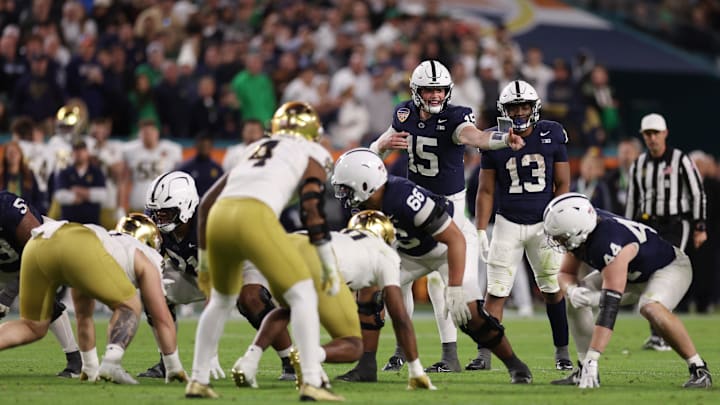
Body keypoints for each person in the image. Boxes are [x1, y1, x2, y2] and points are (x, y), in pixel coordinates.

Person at [368, 59, 524, 373]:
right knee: (392, 284)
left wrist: (503, 140)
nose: (436, 96)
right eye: (429, 89)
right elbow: (376, 152)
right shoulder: (404, 113)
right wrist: (379, 144)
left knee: (452, 292)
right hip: (411, 211)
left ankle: (453, 356)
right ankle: (402, 350)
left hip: (447, 213)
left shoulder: (456, 116)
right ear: (416, 91)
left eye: (440, 89)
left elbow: (476, 137)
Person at [331, 148, 532, 384]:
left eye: (346, 187)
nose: (343, 194)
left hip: (450, 247)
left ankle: (516, 365)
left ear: (365, 183)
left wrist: (455, 287)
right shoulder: (363, 206)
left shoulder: (403, 197)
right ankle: (366, 366)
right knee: (369, 288)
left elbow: (454, 238)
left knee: (469, 314)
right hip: (410, 252)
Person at [186, 101, 344, 401]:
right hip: (254, 214)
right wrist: (326, 261)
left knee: (220, 301)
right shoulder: (313, 151)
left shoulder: (254, 148)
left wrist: (205, 262)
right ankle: (311, 381)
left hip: (220, 216)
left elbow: (206, 203)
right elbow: (311, 207)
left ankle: (198, 380)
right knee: (303, 295)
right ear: (312, 132)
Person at [232, 210, 435, 390]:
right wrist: (416, 370)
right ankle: (309, 357)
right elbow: (400, 316)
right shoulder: (385, 254)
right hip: (319, 258)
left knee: (287, 309)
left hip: (290, 242)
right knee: (354, 345)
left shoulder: (345, 235)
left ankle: (248, 361)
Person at [543, 193, 712, 389]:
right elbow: (565, 273)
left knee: (650, 307)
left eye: (561, 237)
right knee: (577, 296)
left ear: (577, 230)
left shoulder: (609, 242)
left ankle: (698, 368)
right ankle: (583, 370)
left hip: (669, 268)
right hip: (632, 275)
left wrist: (594, 357)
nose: (557, 241)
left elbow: (609, 308)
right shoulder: (587, 226)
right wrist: (572, 290)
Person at [0, 212, 187, 385]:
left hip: (38, 242)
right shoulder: (146, 255)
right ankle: (112, 363)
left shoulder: (105, 244)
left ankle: (90, 368)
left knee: (32, 326)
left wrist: (90, 368)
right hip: (77, 245)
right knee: (130, 305)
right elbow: (161, 317)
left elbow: (83, 315)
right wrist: (173, 367)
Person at [474, 79, 572, 371]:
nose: (518, 113)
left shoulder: (551, 132)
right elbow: (486, 190)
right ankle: (484, 355)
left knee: (552, 287)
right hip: (507, 222)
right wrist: (481, 228)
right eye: (513, 108)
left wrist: (559, 219)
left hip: (544, 224)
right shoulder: (494, 138)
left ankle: (562, 352)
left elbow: (563, 182)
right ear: (504, 110)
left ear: (534, 107)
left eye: (524, 106)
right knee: (497, 291)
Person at [625, 113, 707, 351]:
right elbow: (633, 199)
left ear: (665, 133)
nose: (651, 138)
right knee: (650, 274)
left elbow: (697, 193)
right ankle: (657, 333)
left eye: (655, 133)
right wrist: (629, 229)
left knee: (666, 271)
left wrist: (700, 226)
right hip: (648, 224)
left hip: (675, 224)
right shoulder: (639, 164)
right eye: (647, 134)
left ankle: (662, 334)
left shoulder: (680, 159)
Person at [0, 190, 82, 378]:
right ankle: (76, 361)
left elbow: (38, 250)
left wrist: (6, 296)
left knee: (41, 302)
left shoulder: (7, 207)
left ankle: (78, 361)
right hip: (8, 262)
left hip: (45, 248)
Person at [122, 118, 183, 213]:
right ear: (139, 135)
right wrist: (121, 206)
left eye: (150, 133)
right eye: (145, 133)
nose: (148, 136)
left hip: (162, 207)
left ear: (156, 133)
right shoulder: (131, 151)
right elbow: (124, 180)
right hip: (138, 203)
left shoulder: (171, 150)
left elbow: (177, 180)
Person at [53, 140, 107, 224]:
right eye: (76, 150)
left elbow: (102, 195)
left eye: (82, 150)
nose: (79, 153)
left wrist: (79, 191)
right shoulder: (65, 172)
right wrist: (88, 196)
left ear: (87, 152)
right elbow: (60, 196)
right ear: (72, 153)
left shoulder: (96, 172)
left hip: (92, 224)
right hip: (69, 223)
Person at [606, 137, 642, 215]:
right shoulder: (610, 178)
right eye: (621, 153)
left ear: (638, 154)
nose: (624, 157)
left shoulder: (645, 177)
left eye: (628, 152)